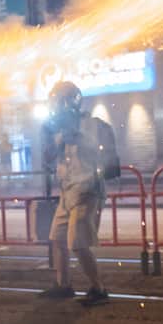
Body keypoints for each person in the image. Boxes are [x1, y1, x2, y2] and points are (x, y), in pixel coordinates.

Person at [40, 81, 118, 305]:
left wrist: (73, 135)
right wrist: (54, 141)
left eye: (57, 101)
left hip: (87, 189)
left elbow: (94, 149)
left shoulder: (90, 124)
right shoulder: (57, 128)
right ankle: (63, 285)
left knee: (77, 242)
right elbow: (48, 158)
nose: (54, 106)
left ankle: (98, 288)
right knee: (58, 239)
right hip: (67, 191)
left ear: (68, 101)